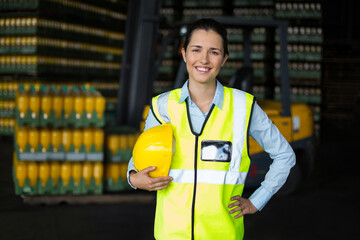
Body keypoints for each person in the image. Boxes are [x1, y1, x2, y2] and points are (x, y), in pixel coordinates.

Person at [127, 18, 295, 240]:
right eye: (196, 50)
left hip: (222, 234)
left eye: (214, 52)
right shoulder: (162, 106)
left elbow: (285, 155)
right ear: (184, 53)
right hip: (171, 234)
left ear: (224, 59)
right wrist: (133, 177)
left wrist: (258, 199)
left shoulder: (243, 107)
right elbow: (141, 155)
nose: (204, 59)